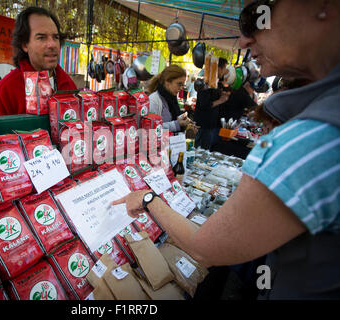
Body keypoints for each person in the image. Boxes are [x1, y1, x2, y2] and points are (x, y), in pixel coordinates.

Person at [112, 0, 340, 299]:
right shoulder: (322, 121)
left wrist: (148, 199)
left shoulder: (314, 137)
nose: (245, 39)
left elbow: (204, 248)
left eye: (259, 16)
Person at [0, 7, 77, 116]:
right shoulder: (5, 90)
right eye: (41, 38)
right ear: (25, 45)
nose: (52, 44)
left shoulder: (68, 84)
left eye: (55, 37)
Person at [193, 57, 230, 149]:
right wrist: (220, 100)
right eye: (224, 69)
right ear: (218, 68)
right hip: (202, 124)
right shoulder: (205, 82)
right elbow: (204, 105)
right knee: (198, 149)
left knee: (205, 150)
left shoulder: (216, 83)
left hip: (210, 124)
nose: (225, 72)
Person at [148, 65, 192, 133]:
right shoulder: (154, 100)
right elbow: (151, 128)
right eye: (179, 84)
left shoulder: (172, 97)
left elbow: (173, 117)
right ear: (167, 82)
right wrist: (177, 124)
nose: (181, 88)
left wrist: (185, 121)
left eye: (183, 85)